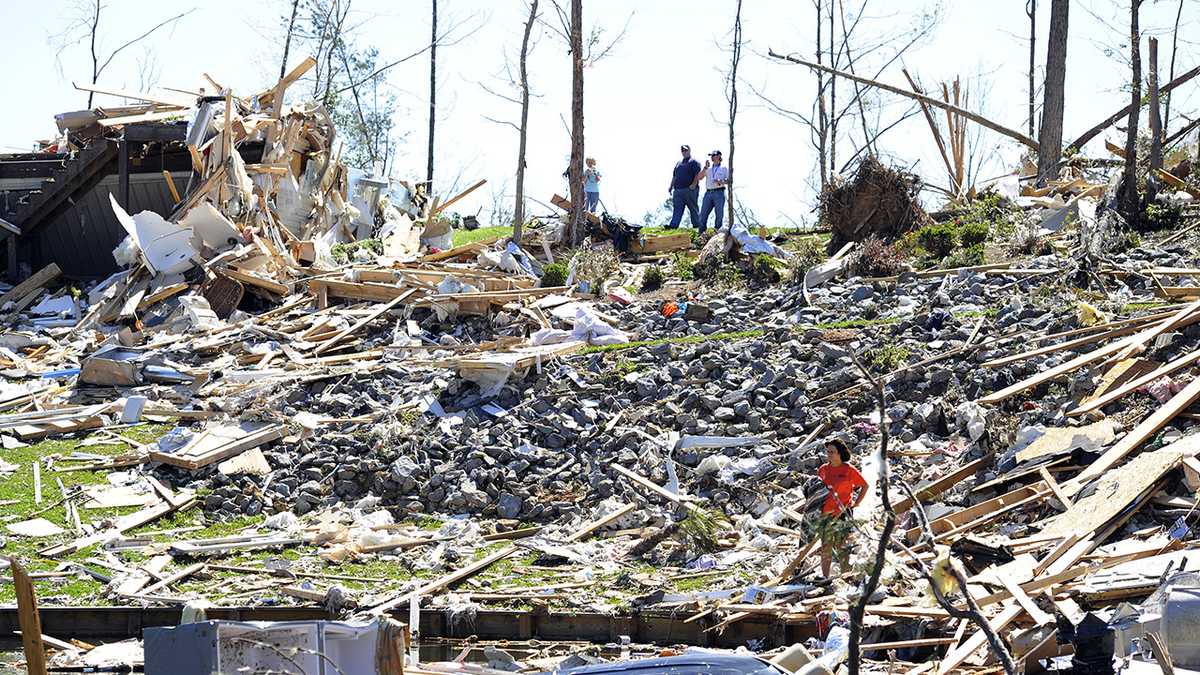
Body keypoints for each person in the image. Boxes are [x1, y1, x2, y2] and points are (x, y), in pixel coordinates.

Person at [816, 438, 867, 579]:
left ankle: (846, 575)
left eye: (832, 452)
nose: (829, 454)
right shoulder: (823, 470)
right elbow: (817, 491)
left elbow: (864, 485)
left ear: (840, 454)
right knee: (826, 546)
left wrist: (856, 503)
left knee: (841, 545)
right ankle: (825, 577)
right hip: (826, 513)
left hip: (843, 512)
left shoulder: (848, 470)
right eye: (828, 452)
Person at [667, 145, 702, 229]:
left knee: (693, 208)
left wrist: (693, 185)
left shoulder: (694, 162)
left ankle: (697, 226)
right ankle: (673, 225)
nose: (684, 152)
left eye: (686, 150)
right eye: (683, 150)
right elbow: (675, 176)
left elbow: (697, 174)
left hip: (689, 190)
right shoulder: (678, 163)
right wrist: (671, 186)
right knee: (677, 208)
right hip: (678, 190)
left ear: (689, 150)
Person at [696, 150, 729, 235]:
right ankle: (701, 234)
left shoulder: (724, 168)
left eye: (714, 155)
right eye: (711, 155)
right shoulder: (708, 168)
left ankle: (717, 235)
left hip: (719, 193)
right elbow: (699, 177)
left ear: (719, 156)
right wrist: (705, 168)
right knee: (703, 214)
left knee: (719, 215)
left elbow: (729, 181)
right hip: (708, 193)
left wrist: (721, 181)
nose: (712, 157)